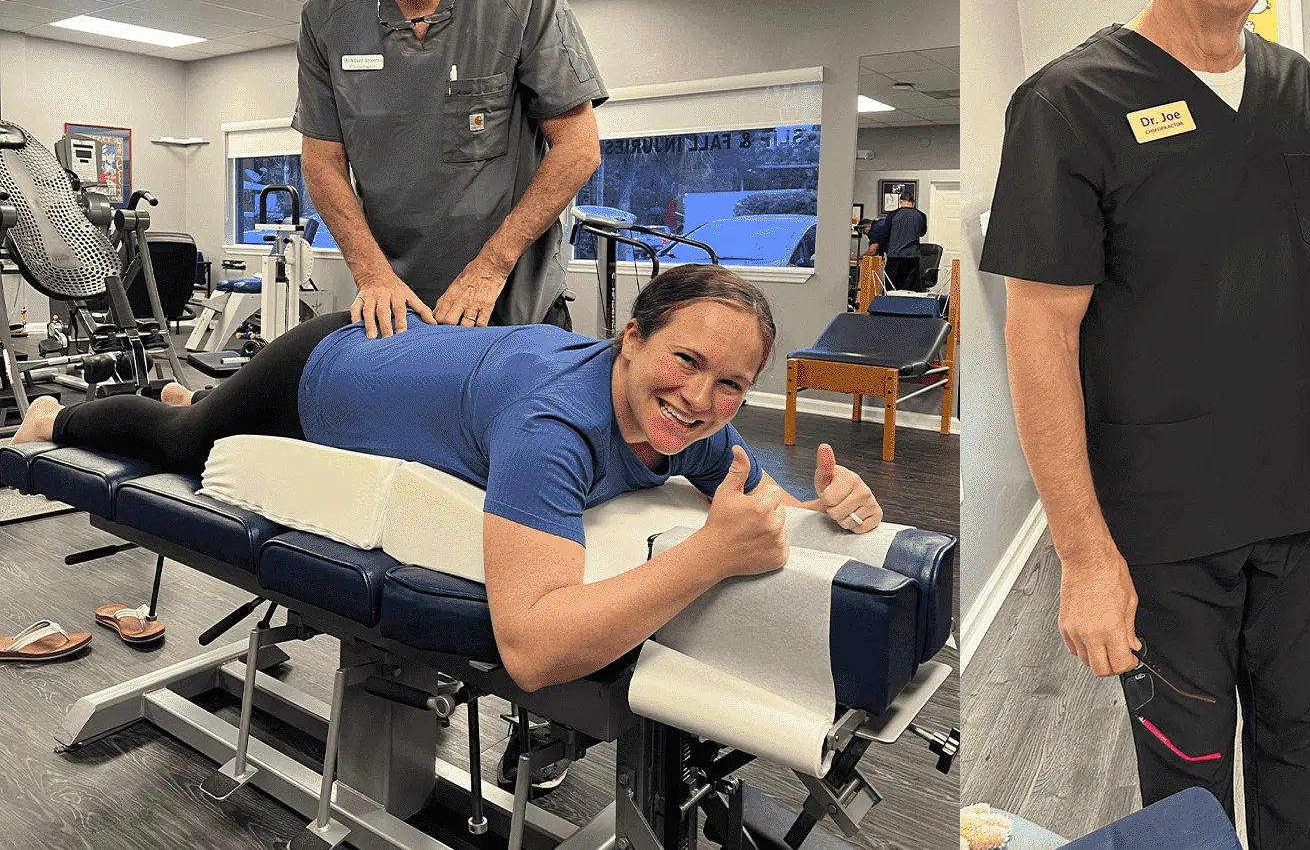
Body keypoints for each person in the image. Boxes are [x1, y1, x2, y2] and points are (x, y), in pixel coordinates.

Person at [980, 0, 1310, 848]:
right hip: (1165, 532)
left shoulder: (1299, 91)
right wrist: (1084, 555)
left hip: (1295, 504)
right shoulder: (1068, 105)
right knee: (1187, 793)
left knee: (1298, 752)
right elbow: (1038, 337)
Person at [12, 265, 884, 693]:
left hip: (411, 360)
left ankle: (196, 397)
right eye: (685, 361)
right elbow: (532, 648)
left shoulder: (686, 422)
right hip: (322, 370)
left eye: (731, 384)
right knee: (185, 442)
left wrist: (825, 503)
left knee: (203, 414)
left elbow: (754, 497)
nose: (699, 399)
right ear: (630, 339)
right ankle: (61, 416)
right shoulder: (553, 429)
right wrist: (707, 557)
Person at [295, 0, 607, 339]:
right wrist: (372, 274)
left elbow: (578, 148)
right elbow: (322, 163)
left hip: (513, 308)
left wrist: (491, 267)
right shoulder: (327, 16)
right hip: (396, 312)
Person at [867, 193, 927, 290]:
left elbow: (884, 235)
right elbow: (922, 232)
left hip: (894, 256)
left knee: (892, 288)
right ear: (913, 202)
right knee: (910, 290)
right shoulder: (921, 215)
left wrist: (881, 254)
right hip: (912, 257)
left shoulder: (892, 215)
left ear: (901, 201)